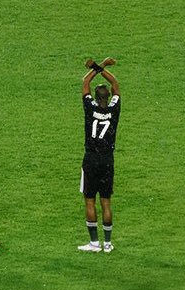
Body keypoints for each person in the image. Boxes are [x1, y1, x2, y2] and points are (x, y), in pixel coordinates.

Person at [76, 57, 121, 253]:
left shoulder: (89, 107)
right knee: (106, 202)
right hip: (107, 160)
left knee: (89, 200)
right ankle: (108, 243)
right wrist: (104, 66)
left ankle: (94, 243)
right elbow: (116, 84)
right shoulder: (114, 109)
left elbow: (85, 82)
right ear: (109, 96)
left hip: (91, 159)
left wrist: (97, 66)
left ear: (95, 97)